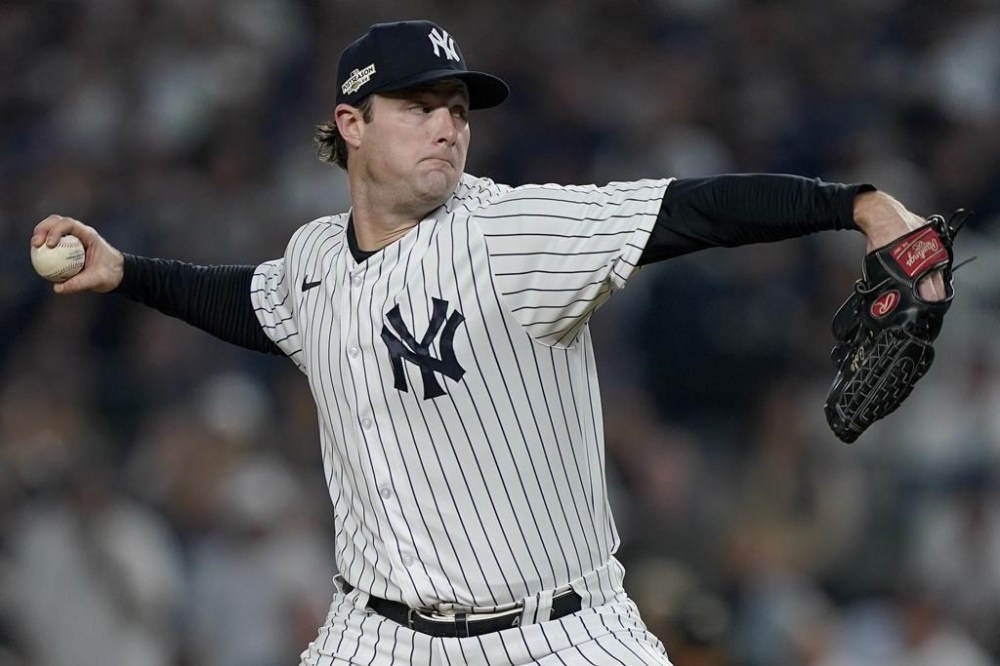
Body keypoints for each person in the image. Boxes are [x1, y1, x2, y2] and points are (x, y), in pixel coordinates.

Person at [30, 19, 946, 666]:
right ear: (351, 126)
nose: (448, 125)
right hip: (375, 636)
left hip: (560, 634)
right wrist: (130, 271)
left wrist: (856, 204)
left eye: (458, 109)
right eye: (418, 106)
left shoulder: (506, 233)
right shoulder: (315, 257)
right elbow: (255, 305)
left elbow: (687, 209)